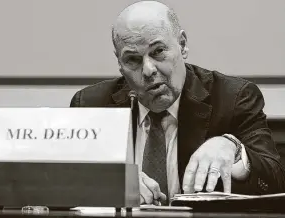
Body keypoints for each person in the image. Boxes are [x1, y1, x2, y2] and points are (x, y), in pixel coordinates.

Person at [70, 1, 285, 205]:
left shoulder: (233, 98)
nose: (148, 70)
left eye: (158, 52)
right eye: (132, 60)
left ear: (182, 45)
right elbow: (64, 187)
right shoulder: (91, 105)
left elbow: (276, 181)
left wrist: (234, 148)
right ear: (119, 63)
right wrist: (108, 184)